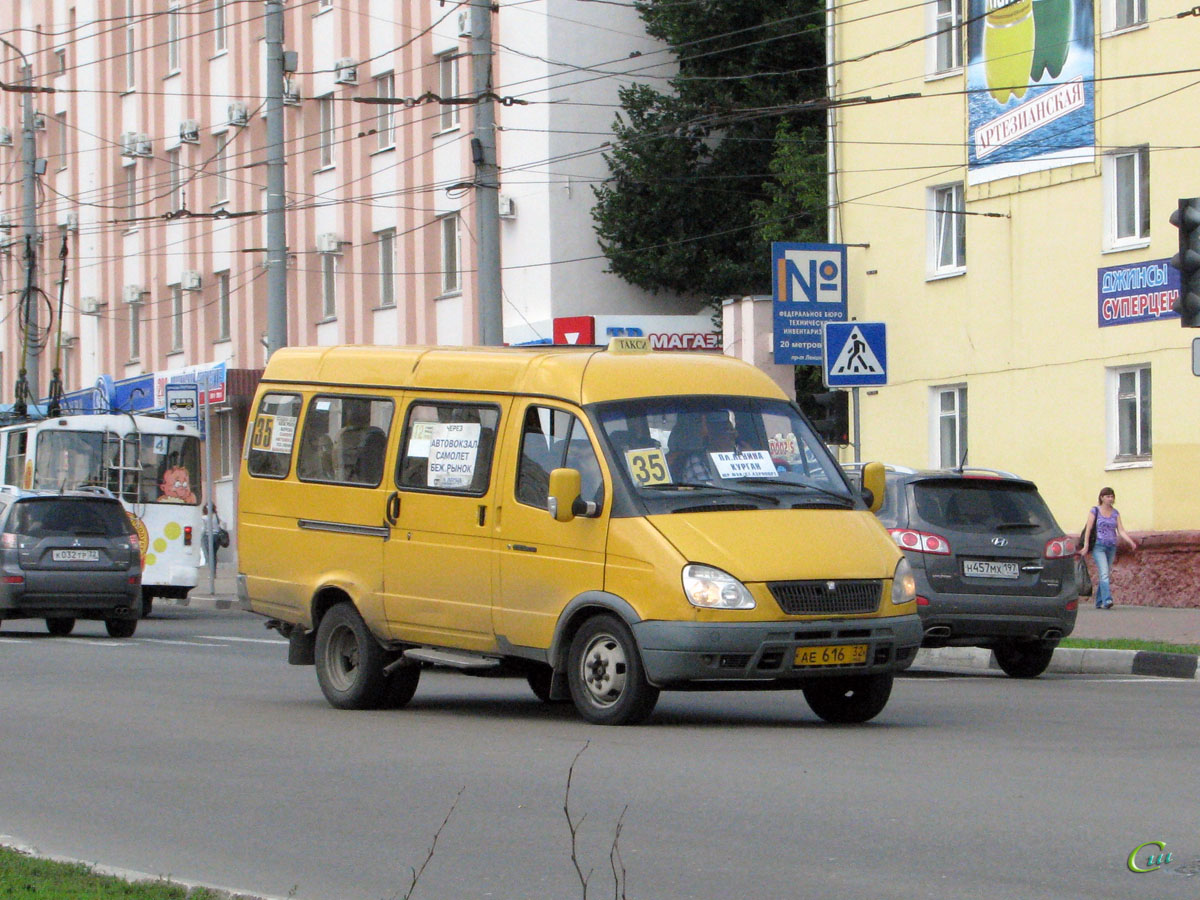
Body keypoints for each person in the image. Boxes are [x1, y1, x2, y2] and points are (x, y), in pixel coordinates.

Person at [1078, 487, 1138, 609]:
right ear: (1102, 498)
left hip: (1111, 546)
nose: (1110, 499)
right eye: (1108, 496)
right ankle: (1107, 599)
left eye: (1112, 496)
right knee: (1104, 572)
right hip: (1098, 546)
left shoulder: (1115, 513)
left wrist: (1131, 542)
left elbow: (1120, 530)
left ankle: (1099, 601)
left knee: (1105, 573)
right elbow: (1089, 529)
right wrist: (1086, 545)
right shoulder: (1095, 511)